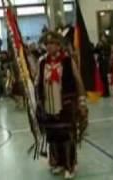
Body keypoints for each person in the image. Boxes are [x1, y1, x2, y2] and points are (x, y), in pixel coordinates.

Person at [36, 31, 88, 179]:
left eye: (52, 43)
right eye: (47, 44)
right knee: (53, 135)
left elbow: (78, 82)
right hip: (48, 105)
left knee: (67, 136)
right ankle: (57, 162)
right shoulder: (42, 62)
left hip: (65, 104)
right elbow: (38, 82)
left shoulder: (67, 61)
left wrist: (82, 102)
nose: (49, 46)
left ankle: (70, 165)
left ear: (59, 45)